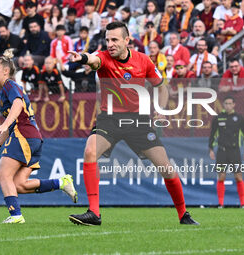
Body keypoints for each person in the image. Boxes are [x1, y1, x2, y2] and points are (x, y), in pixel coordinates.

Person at [67, 21, 199, 226]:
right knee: (90, 152)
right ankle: (94, 212)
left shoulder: (143, 60)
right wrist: (82, 57)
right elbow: (93, 59)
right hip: (109, 118)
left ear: (127, 40)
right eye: (107, 40)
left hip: (138, 120)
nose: (110, 44)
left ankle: (184, 214)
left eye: (114, 40)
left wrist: (161, 112)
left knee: (166, 167)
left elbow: (162, 87)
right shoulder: (103, 57)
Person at [0, 50, 77, 223]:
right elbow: (12, 120)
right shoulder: (7, 89)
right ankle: (61, 183)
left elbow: (18, 105)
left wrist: (4, 124)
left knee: (3, 175)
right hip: (32, 138)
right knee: (19, 184)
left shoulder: (10, 85)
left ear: (6, 71)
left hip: (23, 135)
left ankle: (16, 216)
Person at [209, 96, 244, 208]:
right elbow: (212, 135)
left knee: (238, 176)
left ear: (234, 104)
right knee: (221, 176)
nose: (228, 105)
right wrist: (210, 149)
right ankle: (221, 204)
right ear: (223, 105)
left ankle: (243, 203)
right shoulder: (218, 118)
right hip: (221, 151)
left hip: (235, 151)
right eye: (226, 103)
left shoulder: (239, 118)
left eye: (230, 103)